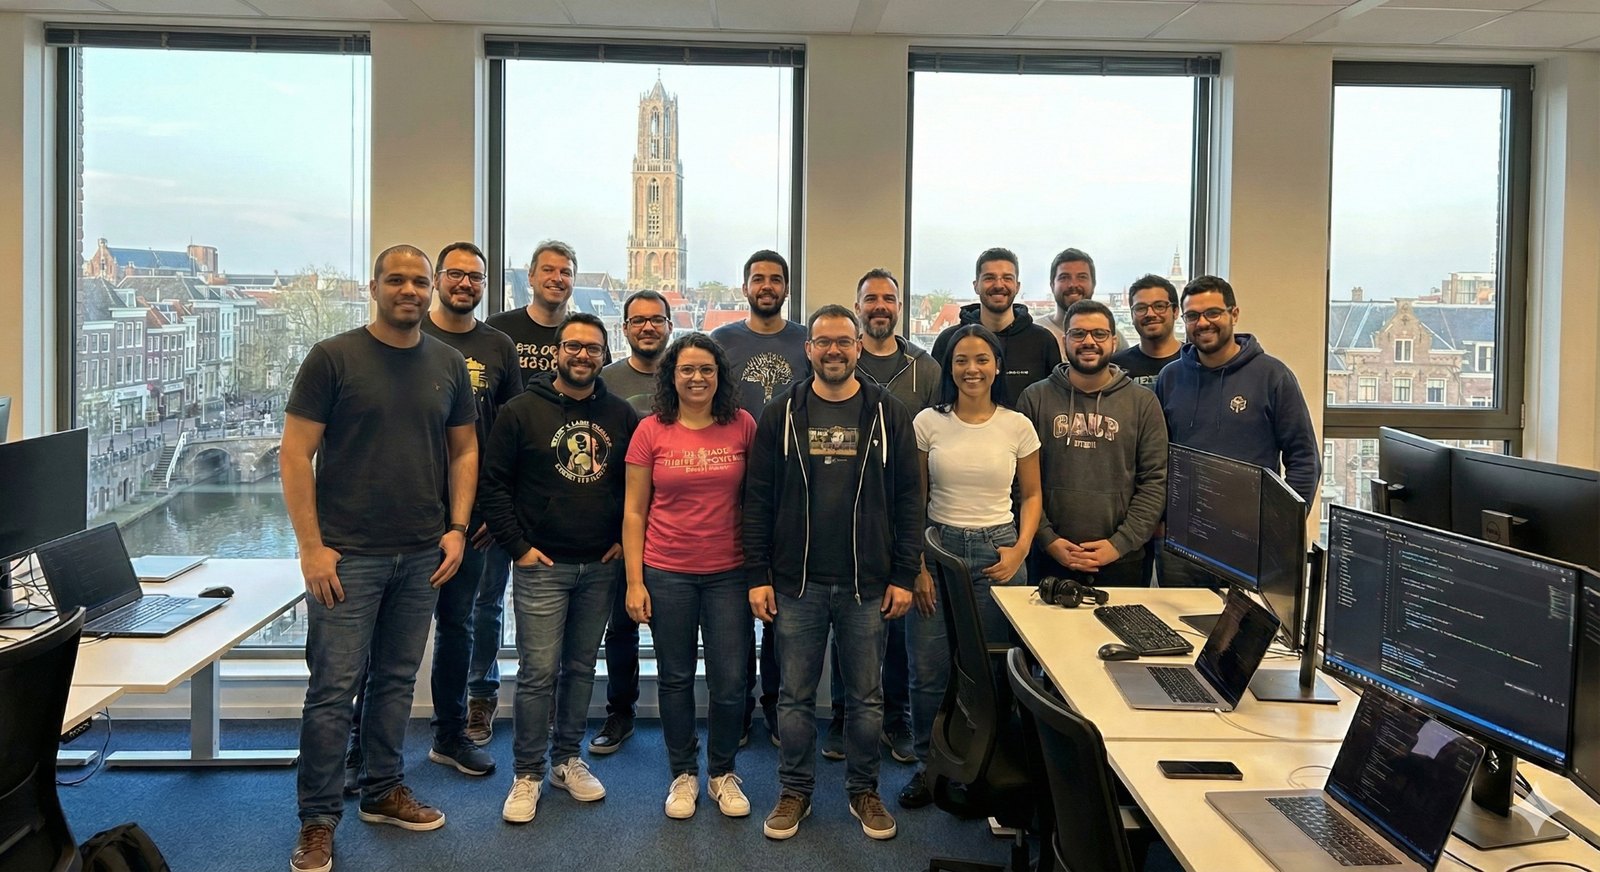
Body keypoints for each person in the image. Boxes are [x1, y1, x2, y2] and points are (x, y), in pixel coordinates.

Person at [282, 244, 478, 872]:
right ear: (375, 287)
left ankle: (382, 790)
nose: (411, 290)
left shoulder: (449, 363)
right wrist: (311, 547)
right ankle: (317, 820)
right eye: (397, 279)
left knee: (396, 681)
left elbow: (464, 453)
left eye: (420, 281)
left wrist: (456, 529)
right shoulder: (332, 358)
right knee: (334, 690)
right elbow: (293, 454)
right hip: (348, 559)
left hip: (422, 553)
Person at [342, 243, 520, 791]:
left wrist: (486, 510)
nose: (466, 283)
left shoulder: (499, 346)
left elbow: (507, 436)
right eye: (456, 274)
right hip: (403, 518)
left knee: (459, 626)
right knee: (378, 639)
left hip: (468, 521)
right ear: (438, 280)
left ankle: (449, 734)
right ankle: (358, 746)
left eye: (477, 276)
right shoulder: (405, 341)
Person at [745, 305, 921, 842]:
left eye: (843, 342)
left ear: (858, 347)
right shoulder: (781, 414)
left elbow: (911, 500)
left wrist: (904, 574)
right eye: (823, 342)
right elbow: (757, 501)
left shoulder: (888, 413)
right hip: (795, 583)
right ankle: (794, 791)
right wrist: (758, 573)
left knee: (866, 699)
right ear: (809, 349)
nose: (833, 351)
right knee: (794, 697)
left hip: (867, 585)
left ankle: (863, 790)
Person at [477, 312, 638, 824]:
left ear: (604, 354)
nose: (583, 355)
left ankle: (567, 760)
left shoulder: (621, 414)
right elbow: (494, 485)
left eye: (593, 348)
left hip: (599, 565)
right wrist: (518, 547)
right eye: (573, 346)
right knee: (538, 673)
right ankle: (527, 773)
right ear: (557, 353)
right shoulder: (521, 410)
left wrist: (619, 540)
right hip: (541, 565)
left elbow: (635, 489)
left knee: (581, 668)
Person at [899, 323, 1042, 809]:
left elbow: (1033, 494)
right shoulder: (927, 423)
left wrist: (1021, 549)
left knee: (992, 670)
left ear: (997, 366)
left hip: (996, 554)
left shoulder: (1017, 425)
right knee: (928, 668)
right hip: (937, 552)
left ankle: (984, 766)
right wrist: (916, 564)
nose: (972, 369)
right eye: (962, 360)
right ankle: (928, 764)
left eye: (982, 359)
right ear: (949, 367)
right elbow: (913, 500)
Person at [622, 333, 757, 820]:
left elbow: (757, 503)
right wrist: (635, 581)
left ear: (719, 376)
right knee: (676, 678)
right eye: (687, 370)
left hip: (730, 574)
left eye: (706, 370)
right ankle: (683, 772)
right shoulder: (651, 430)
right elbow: (634, 512)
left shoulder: (741, 425)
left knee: (730, 680)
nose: (697, 378)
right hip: (667, 571)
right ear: (671, 376)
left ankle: (722, 772)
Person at [468, 239, 581, 745]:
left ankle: (552, 701)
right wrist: (495, 503)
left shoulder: (584, 336)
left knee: (561, 604)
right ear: (531, 277)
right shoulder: (499, 334)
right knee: (486, 602)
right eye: (548, 270)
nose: (557, 278)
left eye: (566, 271)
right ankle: (481, 697)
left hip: (561, 497)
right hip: (502, 496)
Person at [826, 267, 935, 764]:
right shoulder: (838, 360)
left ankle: (895, 719)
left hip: (898, 516)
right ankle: (842, 718)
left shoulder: (926, 369)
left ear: (899, 306)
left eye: (888, 299)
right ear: (857, 306)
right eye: (870, 299)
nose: (879, 307)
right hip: (843, 522)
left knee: (892, 629)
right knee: (844, 627)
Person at [1154, 276, 1320, 584]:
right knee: (1175, 627)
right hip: (1181, 545)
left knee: (1243, 629)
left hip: (1249, 543)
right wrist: (1160, 520)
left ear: (1234, 314)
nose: (1203, 323)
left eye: (1213, 313)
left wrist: (1282, 528)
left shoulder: (1273, 376)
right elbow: (1154, 458)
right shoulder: (1170, 378)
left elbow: (1304, 458)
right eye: (1192, 316)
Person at [710, 250, 809, 746]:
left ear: (787, 288)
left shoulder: (805, 341)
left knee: (779, 609)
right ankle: (738, 705)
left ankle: (774, 704)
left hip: (789, 492)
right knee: (733, 609)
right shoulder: (721, 342)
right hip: (727, 487)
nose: (766, 286)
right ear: (744, 285)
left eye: (775, 279)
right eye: (758, 279)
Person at [1019, 300, 1168, 589]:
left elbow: (1154, 482)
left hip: (1122, 561)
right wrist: (1047, 539)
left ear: (1114, 340)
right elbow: (1019, 483)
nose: (1089, 342)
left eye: (1099, 334)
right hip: (1048, 557)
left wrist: (1119, 544)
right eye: (1078, 334)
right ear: (1064, 341)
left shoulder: (1143, 402)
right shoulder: (1034, 399)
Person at [587, 289, 673, 756]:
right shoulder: (605, 381)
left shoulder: (687, 377)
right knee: (620, 625)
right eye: (638, 320)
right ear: (624, 329)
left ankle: (683, 720)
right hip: (626, 526)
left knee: (675, 628)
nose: (647, 328)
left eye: (656, 320)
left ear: (669, 327)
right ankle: (621, 712)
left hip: (679, 526)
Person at [930, 247, 1061, 403]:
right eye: (989, 278)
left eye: (1007, 278)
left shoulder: (1043, 341)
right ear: (976, 285)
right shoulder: (948, 341)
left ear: (1017, 286)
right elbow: (938, 400)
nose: (999, 285)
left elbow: (1054, 402)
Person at [1038, 247, 1124, 355]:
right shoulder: (1034, 334)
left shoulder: (1111, 336)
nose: (1073, 284)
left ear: (1093, 284)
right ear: (1052, 285)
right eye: (1064, 277)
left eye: (1082, 277)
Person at [1110, 274, 1182, 388]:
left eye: (1159, 306)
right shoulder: (1114, 367)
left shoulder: (1195, 360)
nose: (1150, 314)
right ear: (1131, 315)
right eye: (1141, 308)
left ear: (1176, 312)